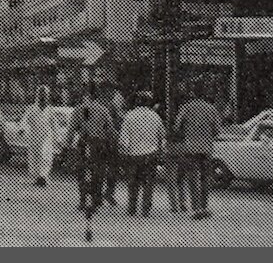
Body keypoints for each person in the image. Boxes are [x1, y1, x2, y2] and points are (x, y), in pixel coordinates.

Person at [64, 82, 117, 213]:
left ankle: (83, 200)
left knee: (81, 170)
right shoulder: (103, 110)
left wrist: (67, 146)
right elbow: (110, 129)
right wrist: (113, 142)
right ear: (96, 95)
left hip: (83, 142)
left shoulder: (78, 109)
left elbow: (71, 130)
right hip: (99, 144)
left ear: (86, 94)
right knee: (98, 172)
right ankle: (96, 198)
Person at [173, 82, 222, 220]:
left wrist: (187, 132)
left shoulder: (186, 107)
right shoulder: (211, 109)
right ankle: (204, 206)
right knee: (205, 177)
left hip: (190, 148)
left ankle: (196, 208)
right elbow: (217, 131)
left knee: (192, 177)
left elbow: (177, 127)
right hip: (206, 148)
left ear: (193, 93)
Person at [118, 91, 165, 217]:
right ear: (149, 103)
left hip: (133, 154)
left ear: (137, 102)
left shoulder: (129, 116)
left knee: (133, 182)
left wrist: (124, 153)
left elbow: (124, 139)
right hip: (151, 154)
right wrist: (161, 151)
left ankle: (132, 206)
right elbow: (162, 136)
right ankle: (145, 207)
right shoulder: (155, 117)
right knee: (148, 182)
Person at [21, 84, 57, 186]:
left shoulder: (50, 110)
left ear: (47, 96)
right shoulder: (31, 108)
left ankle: (43, 176)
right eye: (41, 94)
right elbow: (24, 120)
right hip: (34, 136)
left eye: (45, 94)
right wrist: (22, 129)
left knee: (45, 155)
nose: (43, 96)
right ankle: (37, 177)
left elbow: (54, 125)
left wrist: (56, 138)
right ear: (38, 95)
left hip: (47, 136)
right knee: (35, 156)